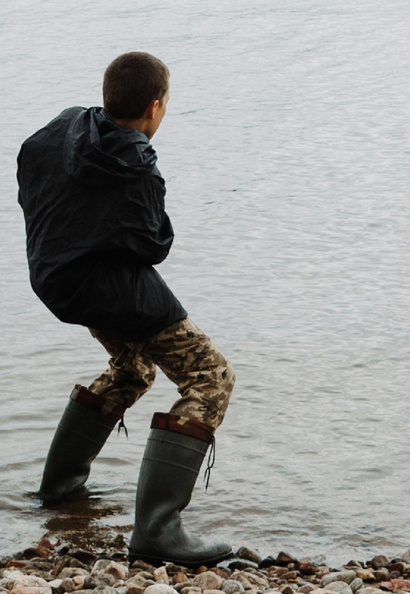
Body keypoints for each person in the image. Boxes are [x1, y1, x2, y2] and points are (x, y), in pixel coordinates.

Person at [16, 51, 242, 566]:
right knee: (212, 376)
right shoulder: (138, 165)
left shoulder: (61, 127)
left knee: (133, 367)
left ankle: (60, 491)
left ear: (105, 96)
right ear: (155, 107)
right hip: (108, 287)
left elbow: (31, 178)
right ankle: (158, 531)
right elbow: (152, 247)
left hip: (56, 278)